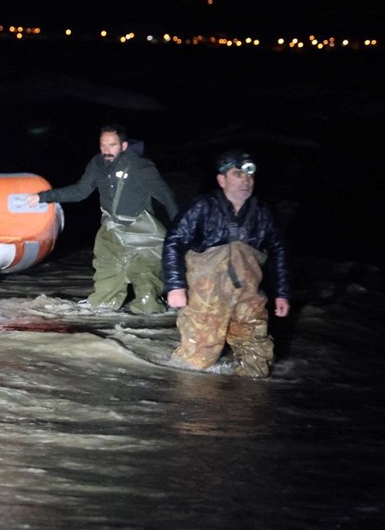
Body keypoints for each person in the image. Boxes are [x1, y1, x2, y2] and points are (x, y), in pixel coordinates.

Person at [162, 150, 291, 378]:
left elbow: (278, 250)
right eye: (237, 174)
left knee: (257, 359)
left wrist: (282, 293)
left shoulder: (262, 212)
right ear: (222, 180)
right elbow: (174, 241)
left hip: (248, 296)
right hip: (206, 298)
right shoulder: (202, 206)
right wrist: (175, 285)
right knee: (196, 360)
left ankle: (246, 406)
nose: (245, 180)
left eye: (249, 175)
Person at [25, 124, 179, 314]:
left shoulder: (140, 166)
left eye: (112, 145)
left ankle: (154, 315)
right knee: (106, 271)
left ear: (123, 146)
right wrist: (43, 197)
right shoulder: (97, 164)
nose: (106, 150)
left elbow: (166, 196)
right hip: (111, 230)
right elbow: (79, 192)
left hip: (142, 232)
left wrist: (179, 229)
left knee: (145, 281)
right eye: (103, 145)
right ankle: (102, 309)